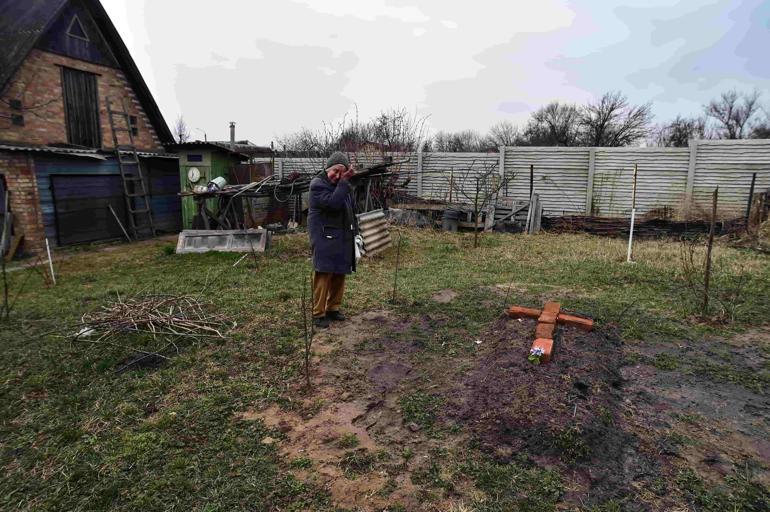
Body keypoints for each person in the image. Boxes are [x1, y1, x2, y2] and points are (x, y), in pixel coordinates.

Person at [307, 151, 357, 328]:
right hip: (323, 236)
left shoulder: (342, 186)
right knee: (324, 273)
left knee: (340, 272)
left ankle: (333, 308)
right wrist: (344, 182)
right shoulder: (318, 185)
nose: (337, 175)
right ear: (328, 168)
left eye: (341, 172)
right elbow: (333, 204)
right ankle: (318, 313)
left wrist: (355, 232)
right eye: (335, 171)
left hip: (342, 235)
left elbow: (351, 209)